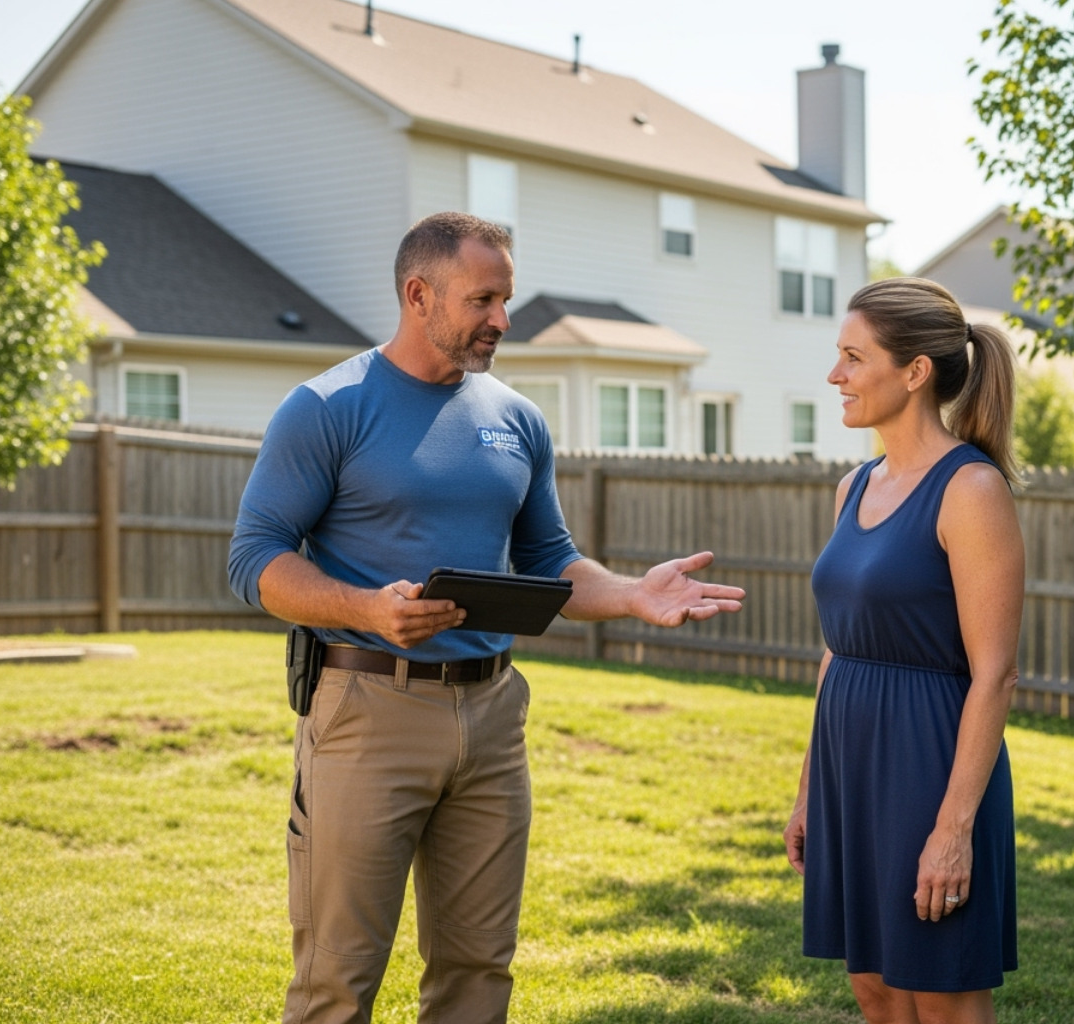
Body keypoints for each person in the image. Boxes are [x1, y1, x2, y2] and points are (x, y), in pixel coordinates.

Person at [228, 212, 745, 1024]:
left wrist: (633, 594)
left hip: (494, 718)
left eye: (506, 299)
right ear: (418, 293)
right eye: (485, 299)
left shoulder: (517, 419)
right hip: (368, 711)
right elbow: (253, 559)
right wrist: (367, 607)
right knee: (337, 980)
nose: (502, 319)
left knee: (478, 975)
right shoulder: (326, 407)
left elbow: (552, 562)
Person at [783, 277, 1023, 1024]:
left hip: (930, 763)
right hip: (847, 762)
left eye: (854, 357)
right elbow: (837, 649)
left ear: (914, 371)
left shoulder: (971, 490)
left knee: (941, 991)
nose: (836, 376)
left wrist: (953, 830)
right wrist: (807, 791)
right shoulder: (853, 486)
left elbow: (995, 675)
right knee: (876, 988)